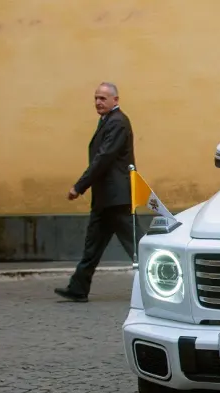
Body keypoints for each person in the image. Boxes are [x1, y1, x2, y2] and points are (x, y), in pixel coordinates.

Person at [55, 82, 141, 302]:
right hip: (106, 198)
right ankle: (78, 288)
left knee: (139, 246)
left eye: (103, 98)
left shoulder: (118, 122)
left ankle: (166, 283)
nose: (98, 102)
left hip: (118, 197)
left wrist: (79, 186)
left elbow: (103, 158)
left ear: (116, 100)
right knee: (92, 247)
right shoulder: (108, 121)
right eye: (96, 98)